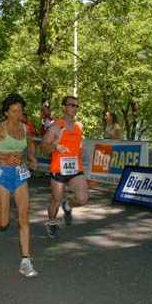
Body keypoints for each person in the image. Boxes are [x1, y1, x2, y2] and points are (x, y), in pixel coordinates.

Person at [0, 93, 39, 278]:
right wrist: (4, 156)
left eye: (20, 111)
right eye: (13, 111)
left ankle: (25, 261)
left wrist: (32, 157)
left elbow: (31, 145)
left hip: (20, 175)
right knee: (4, 222)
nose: (17, 114)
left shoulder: (25, 129)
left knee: (24, 218)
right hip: (3, 175)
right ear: (6, 112)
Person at [40, 96, 88, 238]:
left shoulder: (79, 126)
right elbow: (43, 146)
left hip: (75, 168)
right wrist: (56, 147)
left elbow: (78, 142)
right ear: (64, 107)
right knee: (56, 200)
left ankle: (68, 206)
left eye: (77, 106)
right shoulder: (56, 126)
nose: (75, 108)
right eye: (72, 105)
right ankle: (52, 222)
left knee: (82, 198)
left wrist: (81, 149)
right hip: (58, 169)